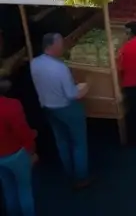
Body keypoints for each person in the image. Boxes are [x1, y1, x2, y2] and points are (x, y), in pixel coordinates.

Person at [29, 34, 89, 188]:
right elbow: (71, 94)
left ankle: (68, 173)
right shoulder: (61, 68)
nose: (62, 47)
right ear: (52, 46)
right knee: (78, 142)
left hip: (48, 108)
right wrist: (85, 87)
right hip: (66, 107)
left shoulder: (34, 63)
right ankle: (81, 177)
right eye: (60, 44)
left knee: (61, 141)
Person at [0, 79, 37, 215]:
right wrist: (32, 150)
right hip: (15, 154)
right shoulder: (11, 105)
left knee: (8, 189)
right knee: (24, 189)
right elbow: (22, 132)